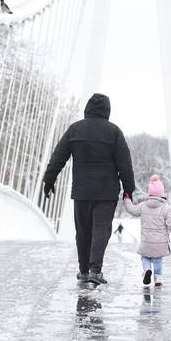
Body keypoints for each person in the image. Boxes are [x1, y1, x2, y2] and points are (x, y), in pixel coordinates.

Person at [43, 93, 135, 286]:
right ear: (107, 110)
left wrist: (49, 179)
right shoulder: (114, 132)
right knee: (101, 229)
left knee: (83, 232)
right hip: (106, 192)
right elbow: (125, 164)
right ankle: (95, 270)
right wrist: (128, 190)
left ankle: (84, 271)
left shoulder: (75, 129)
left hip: (82, 191)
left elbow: (58, 156)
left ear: (87, 108)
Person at [123, 174, 171, 287]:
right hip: (160, 243)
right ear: (162, 193)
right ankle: (158, 278)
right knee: (158, 259)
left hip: (146, 242)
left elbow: (132, 210)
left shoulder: (143, 205)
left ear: (149, 193)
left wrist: (127, 200)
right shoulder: (166, 208)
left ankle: (147, 270)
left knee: (145, 256)